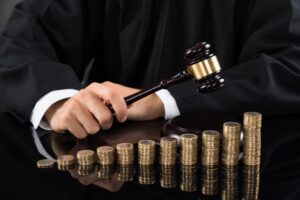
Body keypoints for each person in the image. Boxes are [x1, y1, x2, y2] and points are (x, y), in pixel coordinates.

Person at [0, 0, 300, 139]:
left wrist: (163, 100)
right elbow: (26, 39)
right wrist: (60, 102)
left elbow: (290, 63)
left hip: (240, 162)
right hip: (114, 158)